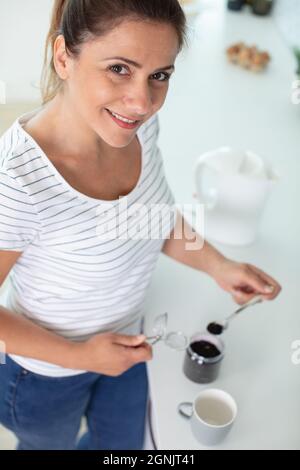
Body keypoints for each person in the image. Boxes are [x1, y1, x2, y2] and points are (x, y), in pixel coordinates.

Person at [0, 0, 281, 450]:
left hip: (129, 344)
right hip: (44, 377)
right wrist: (79, 355)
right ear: (63, 57)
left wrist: (218, 265)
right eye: (118, 68)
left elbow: (150, 218)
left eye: (160, 76)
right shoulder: (17, 180)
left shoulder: (135, 127)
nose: (142, 101)